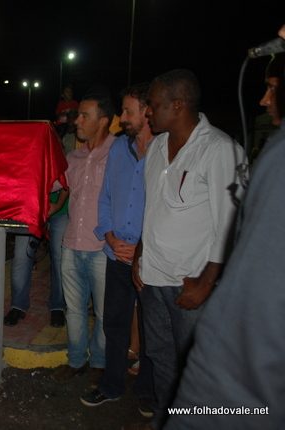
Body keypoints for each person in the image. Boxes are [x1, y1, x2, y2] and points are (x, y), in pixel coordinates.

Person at [165, 28, 285, 430]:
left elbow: (251, 317)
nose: (263, 99)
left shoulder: (229, 151)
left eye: (273, 87)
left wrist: (208, 281)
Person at [131, 69, 245, 429]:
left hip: (191, 284)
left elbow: (231, 223)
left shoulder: (220, 150)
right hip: (153, 279)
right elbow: (152, 209)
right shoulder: (156, 148)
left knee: (196, 366)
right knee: (162, 358)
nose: (148, 112)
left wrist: (207, 282)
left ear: (178, 105)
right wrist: (139, 255)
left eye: (153, 105)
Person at [79, 83, 155, 418]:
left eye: (128, 111)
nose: (121, 118)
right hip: (116, 253)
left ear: (147, 112)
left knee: (152, 329)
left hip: (149, 258)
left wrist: (140, 248)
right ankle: (111, 386)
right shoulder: (119, 150)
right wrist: (109, 237)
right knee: (113, 324)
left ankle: (148, 392)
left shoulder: (165, 149)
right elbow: (105, 198)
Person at [52, 89, 116, 381]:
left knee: (103, 313)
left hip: (103, 248)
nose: (76, 121)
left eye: (83, 116)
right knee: (74, 310)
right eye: (77, 115)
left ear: (102, 121)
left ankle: (100, 363)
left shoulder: (118, 154)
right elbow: (54, 185)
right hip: (71, 245)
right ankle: (76, 360)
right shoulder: (73, 156)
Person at [3, 188, 69, 328]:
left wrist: (58, 205)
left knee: (59, 258)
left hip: (61, 208)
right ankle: (18, 305)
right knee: (21, 256)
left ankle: (58, 306)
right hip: (31, 207)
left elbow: (69, 180)